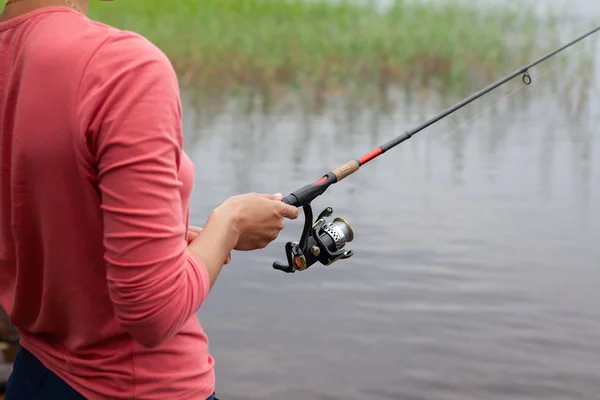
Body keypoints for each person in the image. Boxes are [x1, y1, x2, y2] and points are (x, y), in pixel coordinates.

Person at [0, 0, 300, 399]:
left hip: (33, 376)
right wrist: (230, 224)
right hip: (142, 387)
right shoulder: (123, 68)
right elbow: (154, 314)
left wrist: (162, 242)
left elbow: (44, 211)